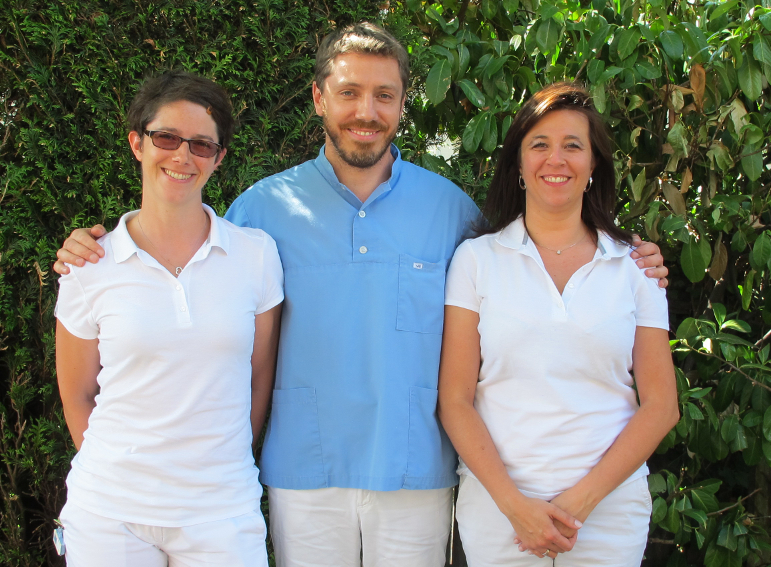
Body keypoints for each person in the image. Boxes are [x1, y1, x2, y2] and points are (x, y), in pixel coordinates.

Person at [52, 25, 669, 567]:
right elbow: (188, 268)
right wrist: (92, 250)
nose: (365, 111)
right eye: (348, 92)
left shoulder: (452, 211)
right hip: (304, 471)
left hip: (415, 470)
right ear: (320, 99)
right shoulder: (261, 211)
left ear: (402, 106)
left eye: (384, 95)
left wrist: (632, 258)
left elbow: (528, 267)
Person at [437, 82, 679, 567]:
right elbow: (455, 400)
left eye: (573, 145)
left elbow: (661, 406)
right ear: (519, 165)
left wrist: (579, 503)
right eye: (540, 145)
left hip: (607, 513)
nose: (556, 159)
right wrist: (515, 507)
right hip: (499, 512)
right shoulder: (476, 260)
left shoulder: (635, 265)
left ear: (593, 166)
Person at [54, 71, 283, 567]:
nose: (182, 156)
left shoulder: (256, 256)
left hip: (222, 510)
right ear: (138, 143)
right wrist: (124, 479)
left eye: (201, 145)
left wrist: (221, 464)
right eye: (167, 138)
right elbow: (76, 393)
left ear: (219, 158)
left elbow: (259, 376)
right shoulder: (87, 266)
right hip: (110, 514)